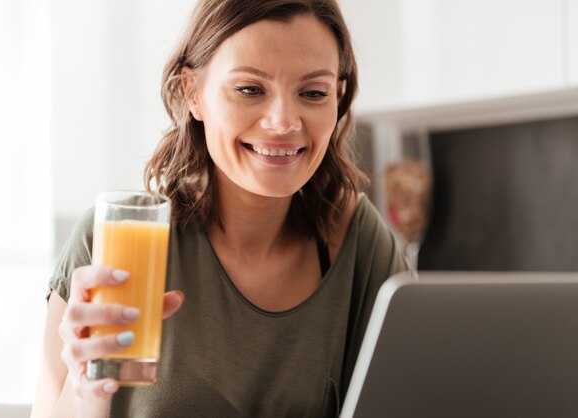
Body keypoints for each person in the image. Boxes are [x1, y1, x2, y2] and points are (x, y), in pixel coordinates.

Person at [32, 0, 408, 416]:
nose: (283, 121)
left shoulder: (357, 242)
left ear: (336, 99)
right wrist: (87, 389)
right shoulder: (115, 239)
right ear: (191, 93)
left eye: (313, 93)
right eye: (250, 89)